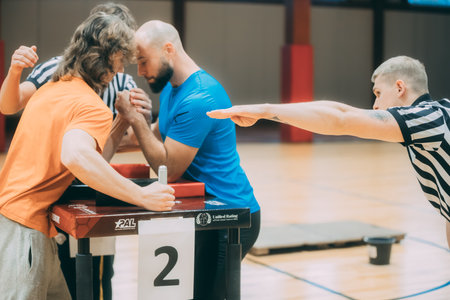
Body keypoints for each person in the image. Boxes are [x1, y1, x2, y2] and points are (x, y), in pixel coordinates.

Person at [0, 12, 175, 300]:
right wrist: (142, 196)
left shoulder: (50, 89)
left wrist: (121, 120)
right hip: (23, 231)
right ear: (112, 58)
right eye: (122, 62)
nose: (122, 71)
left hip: (25, 224)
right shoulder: (90, 105)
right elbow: (77, 156)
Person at [207, 55, 450, 249]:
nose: (375, 105)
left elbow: (342, 119)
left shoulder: (429, 120)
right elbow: (336, 110)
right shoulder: (426, 125)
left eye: (378, 93)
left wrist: (264, 110)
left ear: (399, 88)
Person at [114, 20, 261, 299]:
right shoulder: (173, 87)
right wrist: (94, 147)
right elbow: (150, 137)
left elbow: (167, 167)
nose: (141, 72)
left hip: (231, 215)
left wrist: (135, 119)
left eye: (144, 62)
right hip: (206, 209)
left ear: (168, 49)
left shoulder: (199, 97)